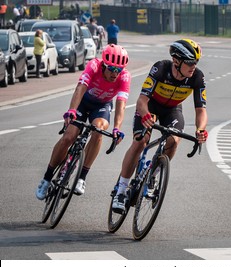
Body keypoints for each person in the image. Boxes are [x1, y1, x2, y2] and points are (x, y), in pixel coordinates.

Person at [111, 39, 208, 212]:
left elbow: (201, 110)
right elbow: (142, 100)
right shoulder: (161, 68)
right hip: (151, 107)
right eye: (190, 62)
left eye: (196, 62)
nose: (194, 66)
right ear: (177, 61)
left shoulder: (197, 77)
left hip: (173, 110)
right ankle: (121, 190)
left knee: (174, 140)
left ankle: (153, 174)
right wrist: (146, 114)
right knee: (140, 141)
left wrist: (200, 129)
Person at [35, 44, 131, 200]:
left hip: (102, 106)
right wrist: (72, 110)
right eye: (112, 69)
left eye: (118, 70)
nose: (115, 73)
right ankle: (46, 178)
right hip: (83, 102)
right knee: (69, 137)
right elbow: (80, 88)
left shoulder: (124, 76)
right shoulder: (94, 65)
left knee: (98, 130)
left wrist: (117, 128)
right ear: (104, 65)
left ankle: (82, 177)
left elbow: (121, 103)